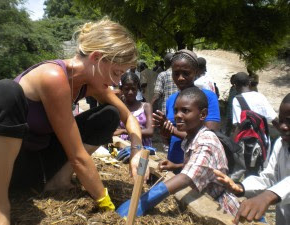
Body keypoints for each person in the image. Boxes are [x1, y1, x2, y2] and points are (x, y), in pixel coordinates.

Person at [0, 18, 146, 225]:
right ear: (97, 57)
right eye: (116, 72)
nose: (118, 82)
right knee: (5, 90)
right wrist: (107, 204)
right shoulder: (53, 76)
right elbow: (77, 157)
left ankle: (58, 181)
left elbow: (128, 118)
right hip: (4, 166)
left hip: (35, 166)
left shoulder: (92, 83)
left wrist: (136, 150)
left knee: (109, 113)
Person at [117, 87, 239, 217]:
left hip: (220, 209)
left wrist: (143, 201)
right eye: (176, 111)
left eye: (185, 111)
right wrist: (176, 166)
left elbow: (186, 178)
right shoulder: (191, 137)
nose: (178, 116)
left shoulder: (206, 142)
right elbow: (202, 167)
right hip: (201, 198)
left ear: (202, 114)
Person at [214, 93, 290, 225]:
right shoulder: (281, 144)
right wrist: (240, 187)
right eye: (281, 121)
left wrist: (268, 196)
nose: (283, 127)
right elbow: (269, 177)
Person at [153, 49, 221, 169]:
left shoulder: (208, 97)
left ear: (195, 72)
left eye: (186, 73)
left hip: (196, 167)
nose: (180, 78)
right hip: (173, 163)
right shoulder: (172, 100)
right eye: (176, 73)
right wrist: (165, 132)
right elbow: (171, 139)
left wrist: (173, 130)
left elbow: (209, 138)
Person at [114, 72, 153, 147]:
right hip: (124, 146)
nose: (130, 92)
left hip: (143, 147)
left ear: (137, 88)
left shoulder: (146, 107)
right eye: (126, 89)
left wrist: (123, 131)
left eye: (133, 89)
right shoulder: (119, 107)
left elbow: (150, 131)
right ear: (121, 89)